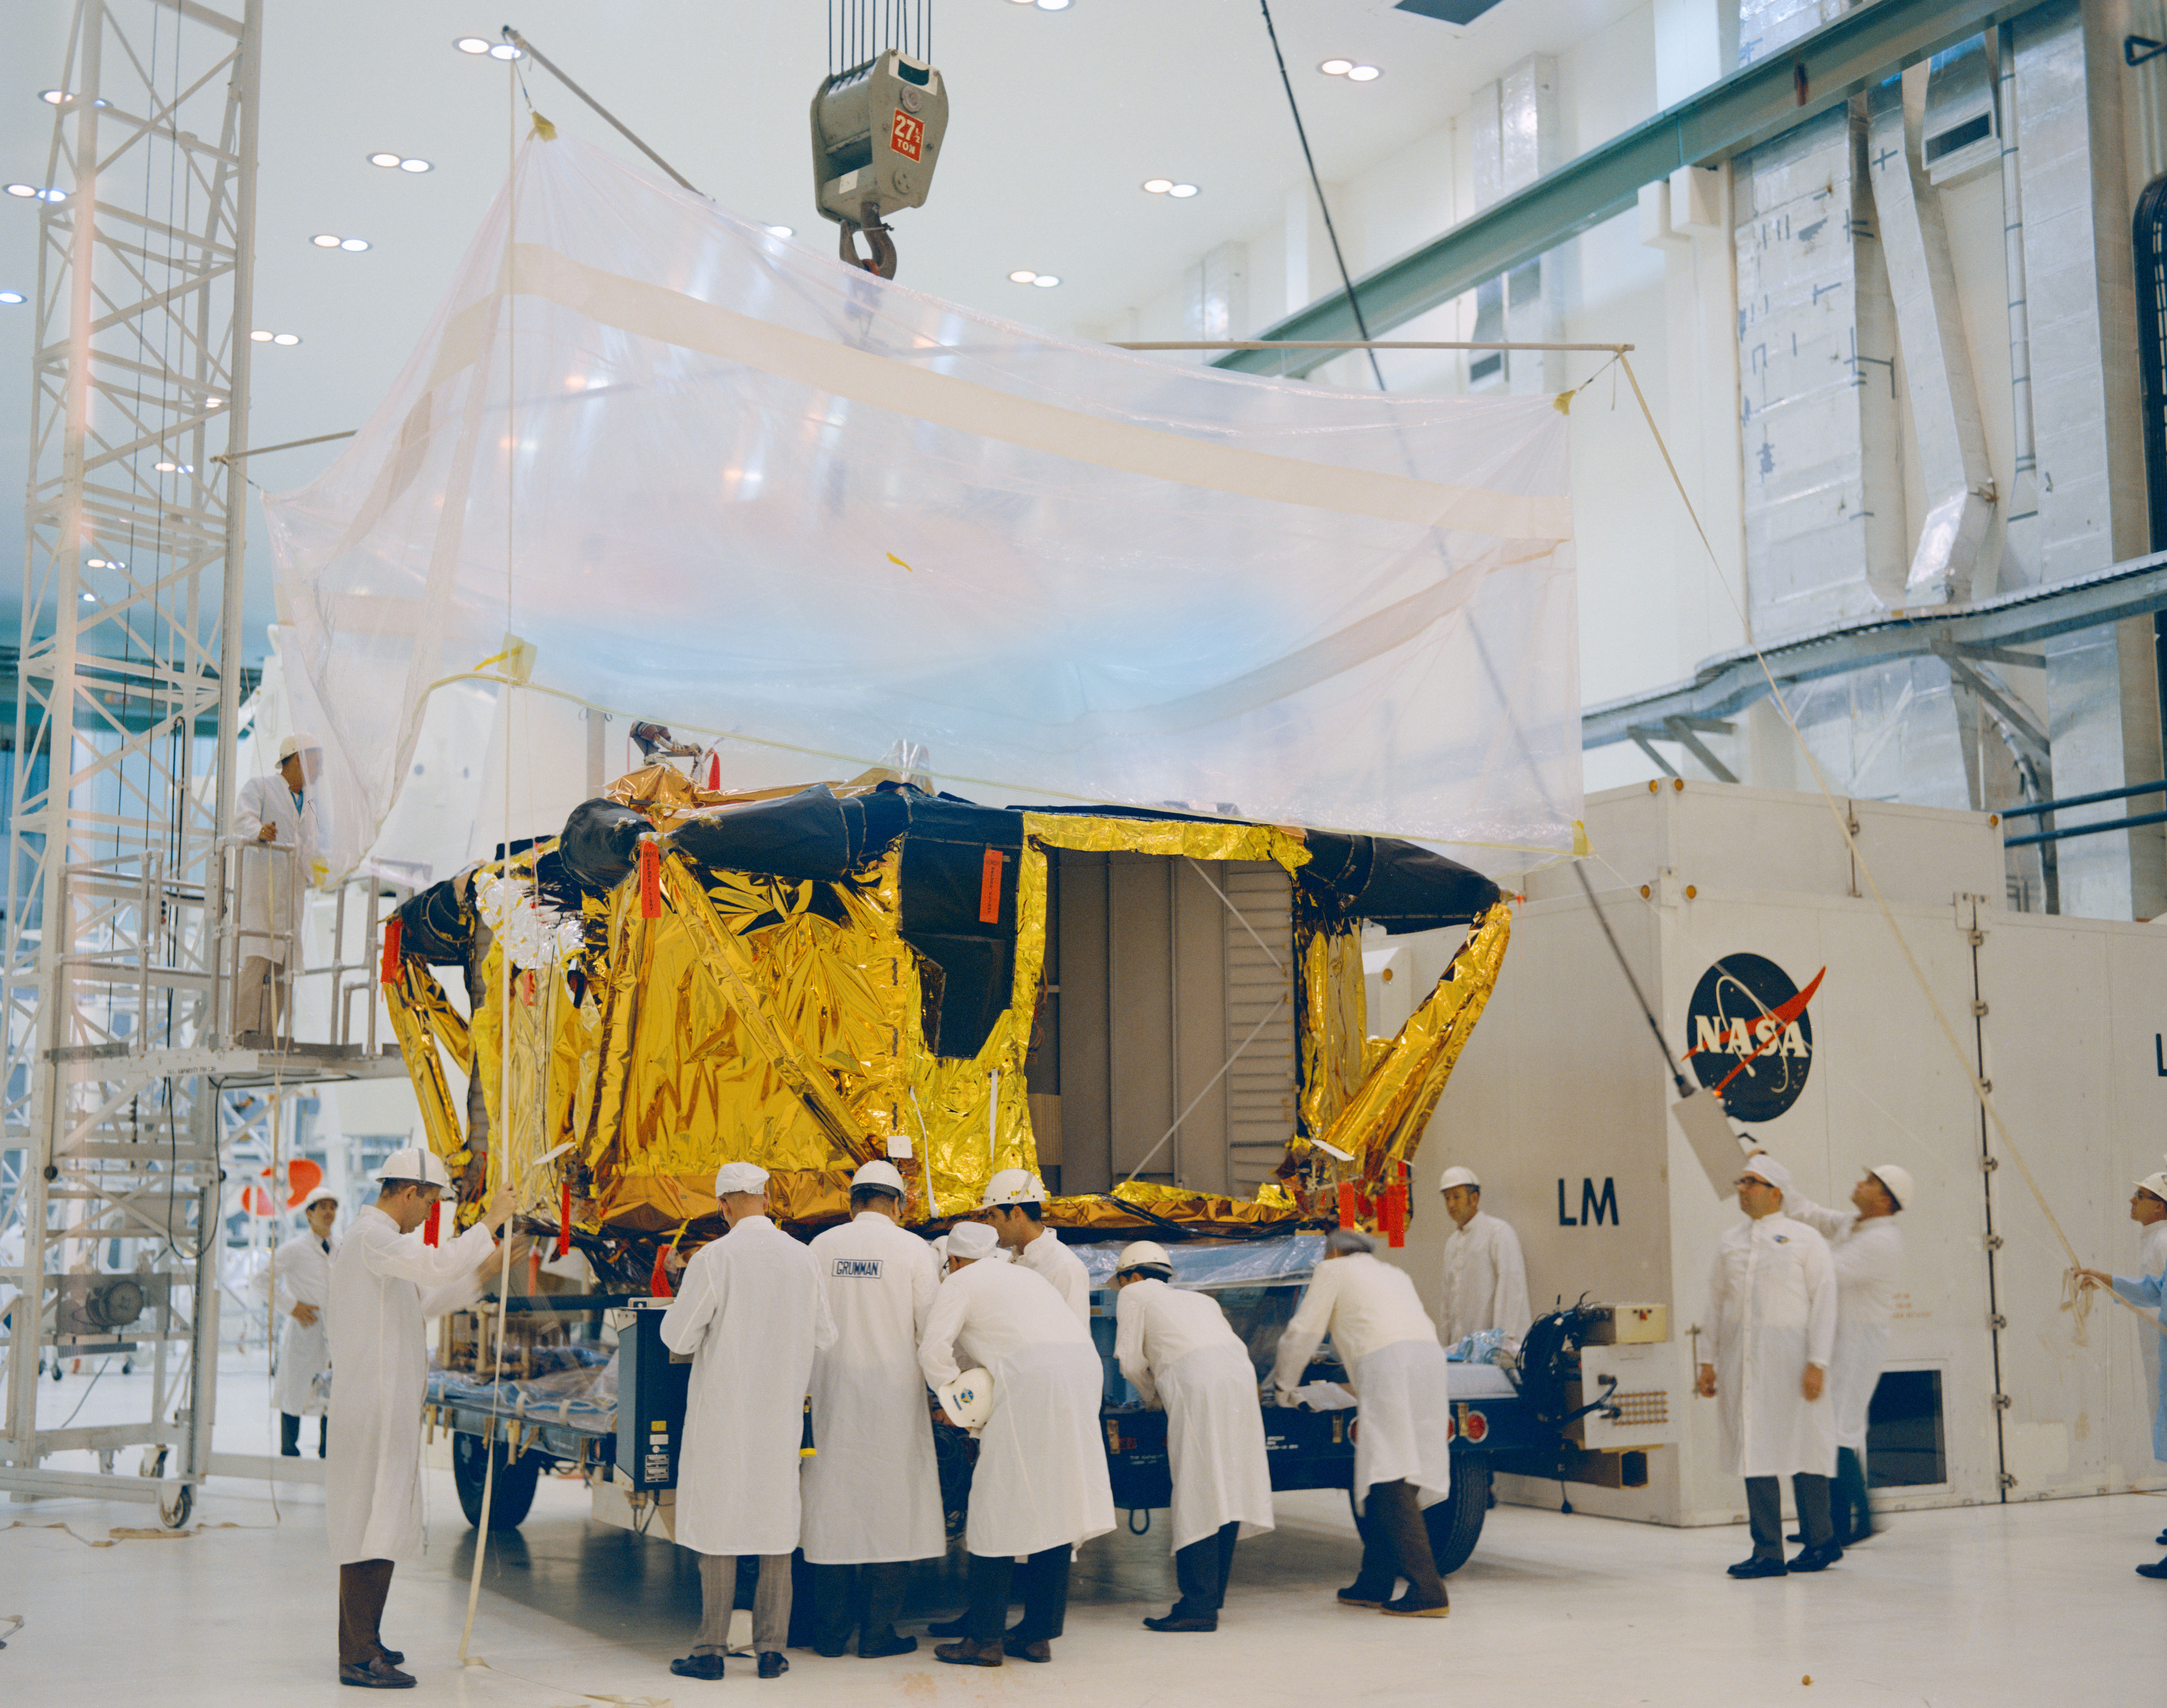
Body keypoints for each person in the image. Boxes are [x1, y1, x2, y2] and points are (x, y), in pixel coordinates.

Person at [327, 1148, 513, 1690]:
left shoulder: (378, 1246)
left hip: (383, 1404)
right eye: (429, 1204)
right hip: (376, 1407)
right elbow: (435, 1266)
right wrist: (490, 1221)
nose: (428, 1216)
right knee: (372, 1525)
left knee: (377, 1522)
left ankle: (366, 1640)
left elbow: (426, 1298)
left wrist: (484, 1269)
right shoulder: (374, 1237)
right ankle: (358, 1655)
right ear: (408, 1193)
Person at [662, 1161, 835, 1682]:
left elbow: (678, 1337)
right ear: (765, 1197)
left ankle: (711, 1649)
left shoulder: (715, 1258)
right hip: (779, 1415)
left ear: (723, 1205)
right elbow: (826, 1334)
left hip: (724, 1416)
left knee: (719, 1527)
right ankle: (770, 1651)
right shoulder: (803, 1258)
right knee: (775, 1526)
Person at [919, 1219, 1113, 1667]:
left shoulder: (961, 1280)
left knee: (995, 1503)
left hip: (1031, 1382)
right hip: (1082, 1374)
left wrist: (955, 1402)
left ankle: (983, 1640)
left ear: (953, 1259)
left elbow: (933, 1350)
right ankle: (1036, 1635)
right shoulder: (1024, 1276)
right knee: (1055, 1502)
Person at [1268, 1227, 1452, 1618]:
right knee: (1403, 1465)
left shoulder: (1332, 1271)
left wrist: (1282, 1387)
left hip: (1386, 1363)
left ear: (1334, 1252)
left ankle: (1428, 1588)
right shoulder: (1394, 1273)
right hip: (1429, 1361)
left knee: (1387, 1471)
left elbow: (1303, 1331)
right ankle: (1375, 1580)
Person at [801, 1160, 944, 1659]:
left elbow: (804, 1323)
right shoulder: (913, 1250)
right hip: (893, 1398)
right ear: (900, 1204)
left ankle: (830, 1633)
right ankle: (879, 1632)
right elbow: (933, 1328)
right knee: (892, 1510)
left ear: (852, 1200)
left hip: (831, 1395)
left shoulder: (821, 1247)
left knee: (831, 1510)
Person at [1111, 1240, 1274, 1631]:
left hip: (1197, 1381)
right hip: (1239, 1378)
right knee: (1228, 1483)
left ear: (1132, 1275)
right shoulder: (1201, 1301)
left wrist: (1152, 1400)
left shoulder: (1134, 1293)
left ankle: (1198, 1606)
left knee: (1198, 1485)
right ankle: (1212, 1594)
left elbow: (1131, 1363)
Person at [1753, 1153, 1912, 1546]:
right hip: (1840, 1337)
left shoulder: (1882, 1241)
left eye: (1871, 1181)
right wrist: (1774, 1176)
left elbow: (1826, 1270)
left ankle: (1852, 1522)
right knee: (1829, 1428)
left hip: (1858, 1343)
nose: (1861, 1183)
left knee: (1837, 1430)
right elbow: (1809, 1212)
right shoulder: (1853, 1225)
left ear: (1887, 1200)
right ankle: (1829, 1524)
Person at [1697, 1155, 1840, 1579]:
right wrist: (1707, 1360)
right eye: (1740, 1181)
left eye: (1753, 1182)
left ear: (1776, 1191)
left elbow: (1825, 1301)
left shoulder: (1806, 1238)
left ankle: (1822, 1541)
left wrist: (1819, 1362)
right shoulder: (1730, 1243)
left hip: (1795, 1363)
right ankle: (1768, 1552)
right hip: (1745, 1363)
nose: (1742, 1189)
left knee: (1806, 1447)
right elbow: (1714, 1304)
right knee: (1754, 1450)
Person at [2075, 1170, 2167, 1577]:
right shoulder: (2158, 1238)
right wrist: (2104, 1279)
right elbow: (2152, 1290)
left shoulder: (2165, 1239)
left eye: (2141, 1195)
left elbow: (2152, 1292)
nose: (2133, 1201)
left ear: (2161, 1205)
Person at [231, 733, 322, 1042]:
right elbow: (242, 819)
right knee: (258, 965)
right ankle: (244, 1032)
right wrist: (260, 830)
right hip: (263, 897)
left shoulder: (309, 803)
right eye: (316, 762)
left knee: (283, 972)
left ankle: (269, 1035)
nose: (320, 770)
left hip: (291, 899)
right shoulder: (261, 787)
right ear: (298, 758)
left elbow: (310, 847)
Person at [256, 1184, 340, 1458]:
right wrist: (292, 1307)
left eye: (333, 1207)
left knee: (333, 1392)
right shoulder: (295, 1249)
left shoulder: (342, 1248)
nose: (329, 1212)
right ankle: (288, 1450)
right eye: (323, 1207)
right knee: (295, 1389)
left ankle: (328, 1451)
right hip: (306, 1328)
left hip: (335, 1332)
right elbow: (260, 1280)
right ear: (309, 1214)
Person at [1436, 1166, 1531, 1345]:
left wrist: (1503, 1345)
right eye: (1447, 1198)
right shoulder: (1451, 1244)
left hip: (1493, 1353)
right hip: (1460, 1355)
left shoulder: (1498, 1233)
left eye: (1457, 1197)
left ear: (1474, 1199)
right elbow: (1447, 1305)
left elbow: (1511, 1292)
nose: (1451, 1205)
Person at [981, 1169, 1089, 1323]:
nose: (990, 1224)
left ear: (1016, 1213)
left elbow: (1077, 1338)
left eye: (993, 1216)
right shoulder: (1015, 1261)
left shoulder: (1064, 1267)